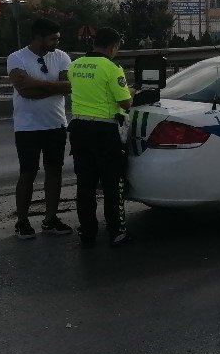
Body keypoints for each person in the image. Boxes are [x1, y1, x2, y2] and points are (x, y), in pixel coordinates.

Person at [7, 18, 74, 239]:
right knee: (28, 173)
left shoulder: (62, 57)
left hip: (56, 123)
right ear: (38, 38)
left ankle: (50, 218)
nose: (56, 42)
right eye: (53, 38)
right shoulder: (16, 58)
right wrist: (54, 87)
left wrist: (36, 83)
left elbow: (68, 86)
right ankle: (22, 221)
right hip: (27, 127)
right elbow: (24, 91)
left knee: (54, 171)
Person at [68, 27, 133, 248]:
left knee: (85, 185)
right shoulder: (112, 68)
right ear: (113, 46)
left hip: (78, 129)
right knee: (112, 184)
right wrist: (133, 93)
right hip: (105, 131)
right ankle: (116, 231)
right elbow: (125, 103)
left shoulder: (75, 65)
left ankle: (87, 232)